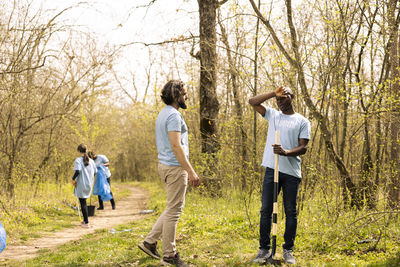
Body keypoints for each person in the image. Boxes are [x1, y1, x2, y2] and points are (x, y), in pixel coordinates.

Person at [138, 80, 200, 267]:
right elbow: (176, 145)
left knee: (171, 208)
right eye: (185, 93)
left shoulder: (163, 114)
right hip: (175, 168)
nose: (187, 96)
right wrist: (190, 171)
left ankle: (149, 242)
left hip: (166, 166)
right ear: (176, 94)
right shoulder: (173, 116)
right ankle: (169, 255)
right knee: (174, 211)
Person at [249, 86, 311, 265]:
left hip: (291, 173)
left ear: (292, 97)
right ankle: (264, 249)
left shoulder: (302, 121)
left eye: (283, 98)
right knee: (266, 210)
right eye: (278, 99)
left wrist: (286, 152)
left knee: (291, 212)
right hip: (271, 169)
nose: (280, 102)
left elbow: (303, 147)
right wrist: (272, 93)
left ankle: (288, 250)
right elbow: (252, 102)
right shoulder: (273, 115)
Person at [72, 144, 97, 228]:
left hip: (81, 183)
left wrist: (73, 179)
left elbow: (78, 171)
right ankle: (85, 221)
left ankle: (86, 222)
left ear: (79, 151)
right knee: (84, 202)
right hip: (89, 184)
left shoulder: (78, 160)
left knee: (83, 203)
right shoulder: (92, 161)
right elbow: (95, 172)